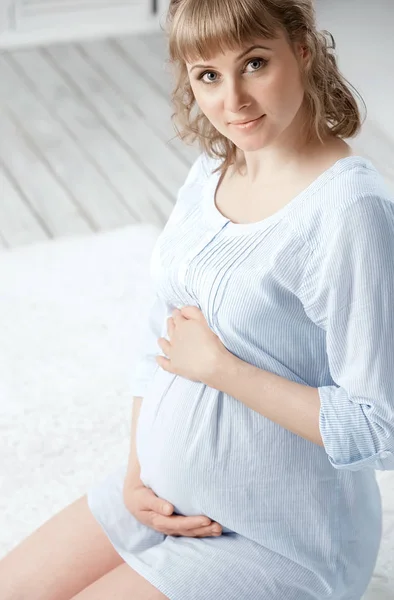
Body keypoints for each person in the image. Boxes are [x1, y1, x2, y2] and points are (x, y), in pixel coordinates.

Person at [1, 0, 394, 598]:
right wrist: (137, 474)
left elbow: (379, 428)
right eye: (208, 75)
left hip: (278, 536)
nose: (232, 100)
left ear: (304, 51)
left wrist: (220, 369)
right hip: (161, 493)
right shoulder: (215, 167)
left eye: (255, 63)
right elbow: (158, 334)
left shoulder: (350, 212)